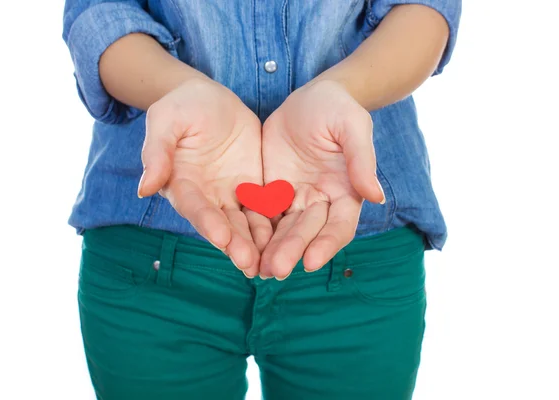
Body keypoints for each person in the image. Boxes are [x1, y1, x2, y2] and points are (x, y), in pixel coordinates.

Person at [62, 1, 461, 399]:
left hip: (360, 243)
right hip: (148, 254)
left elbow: (425, 9)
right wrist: (181, 90)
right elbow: (99, 12)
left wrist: (342, 91)